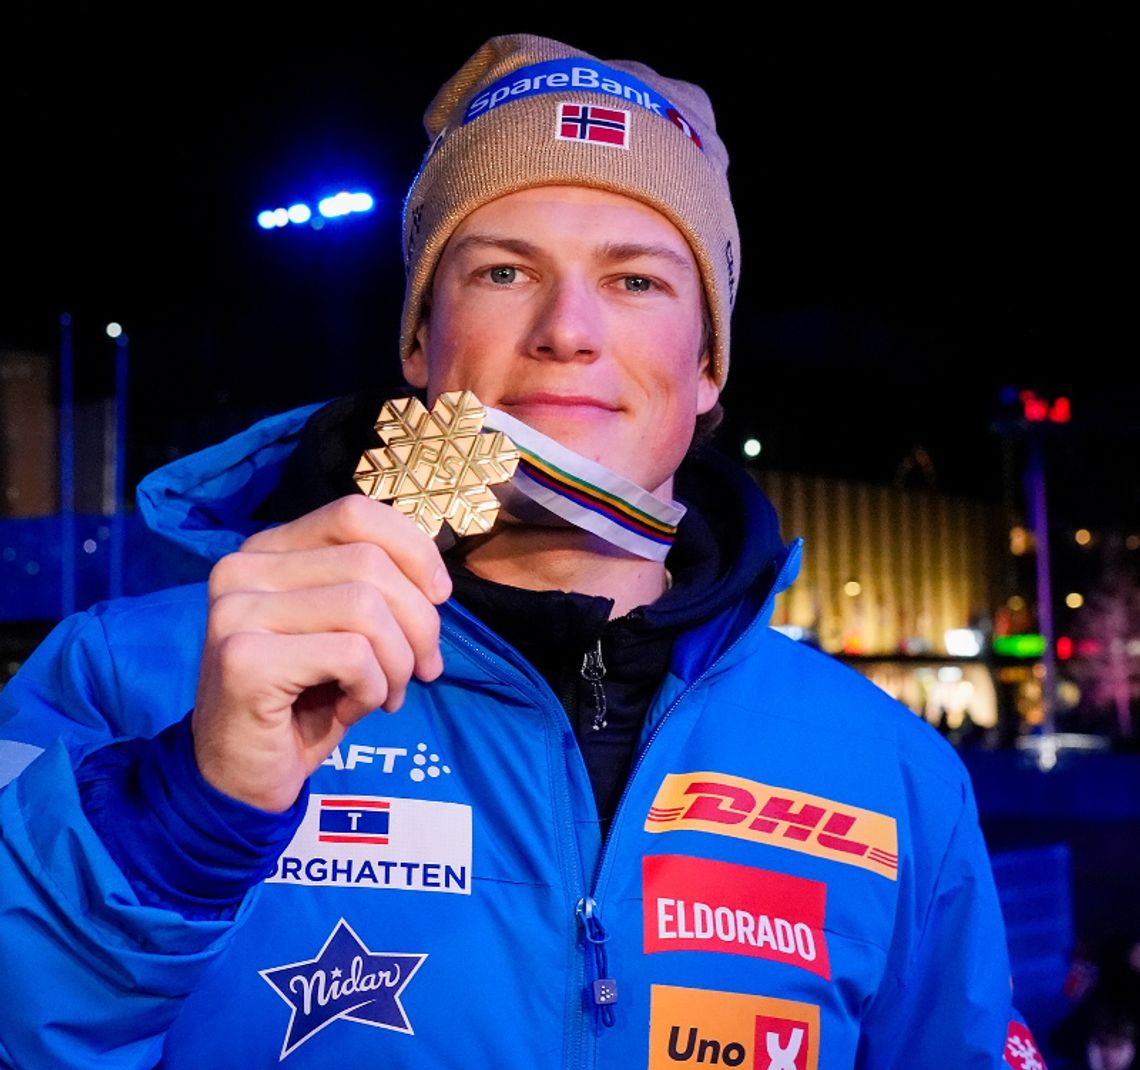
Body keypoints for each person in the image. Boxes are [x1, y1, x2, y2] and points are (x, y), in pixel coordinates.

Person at [0, 32, 1045, 1068]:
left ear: (709, 366)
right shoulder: (121, 679)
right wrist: (181, 814)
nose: (567, 330)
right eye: (504, 269)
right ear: (420, 340)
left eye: (637, 281)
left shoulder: (894, 773)